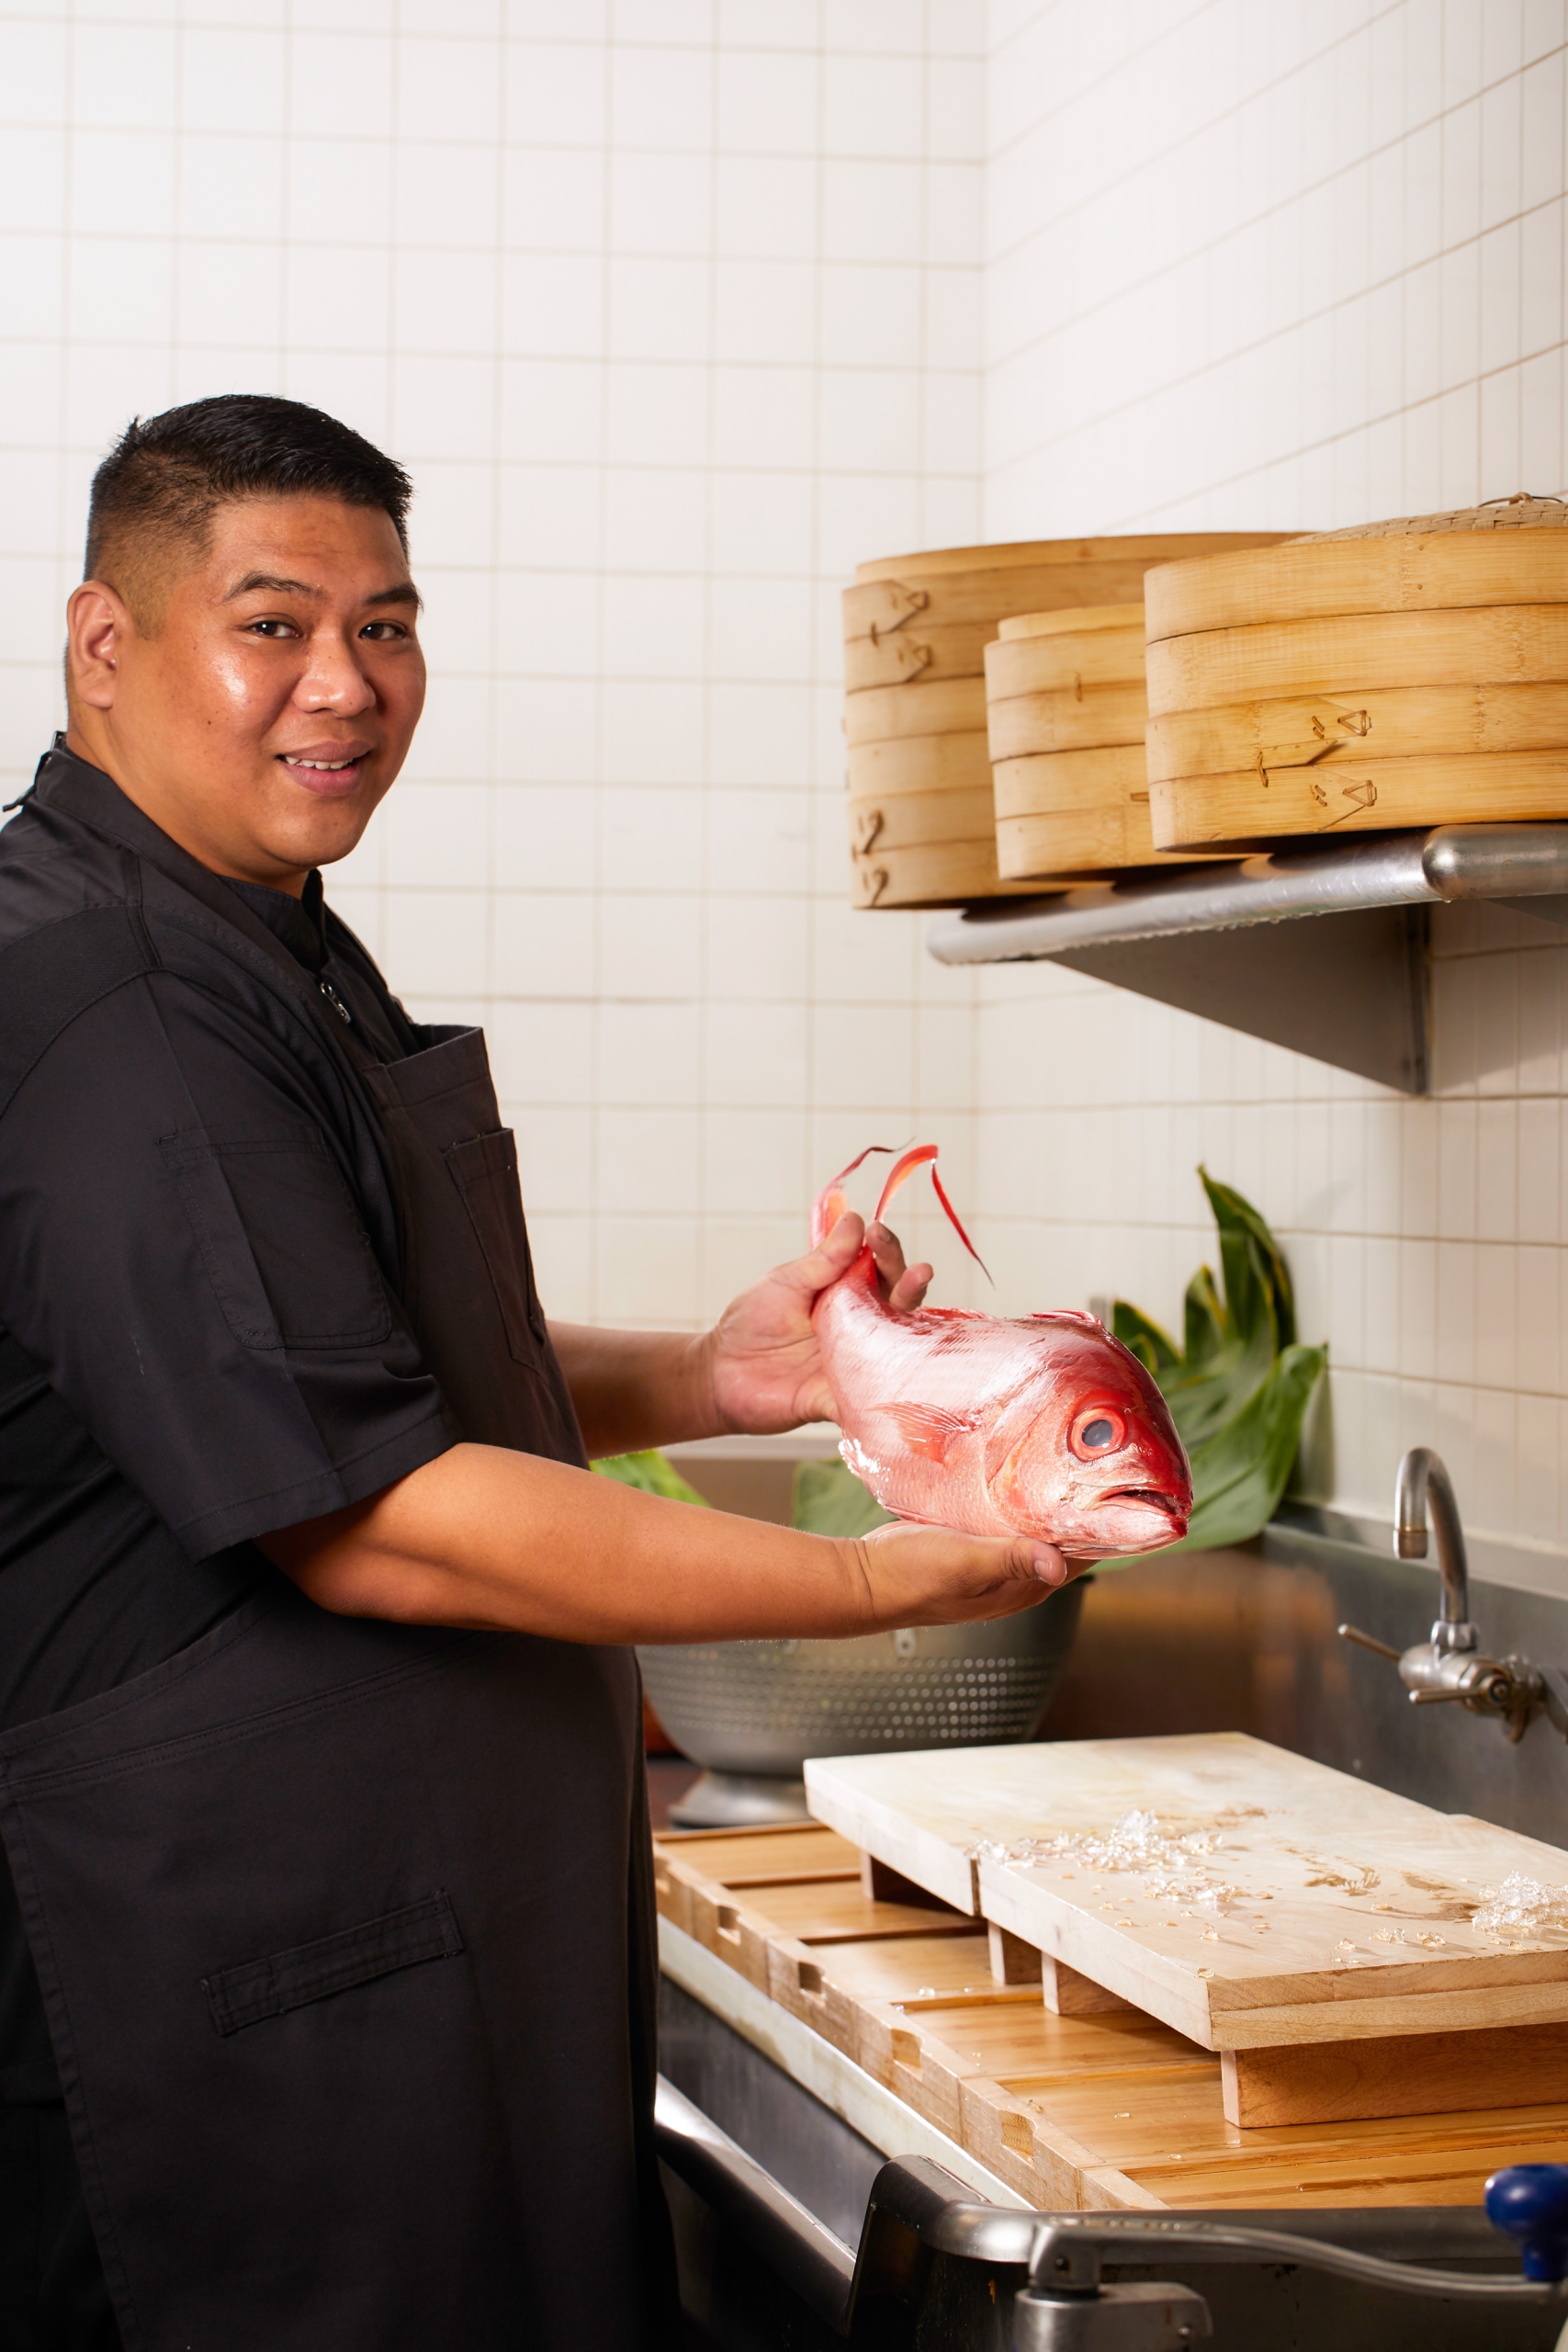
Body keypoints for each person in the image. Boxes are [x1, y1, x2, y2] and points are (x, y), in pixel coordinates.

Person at [0, 394, 1070, 2352]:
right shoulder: (128, 1002)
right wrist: (880, 1580)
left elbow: (332, 1361)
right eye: (274, 623)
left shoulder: (242, 934)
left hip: (361, 1952)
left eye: (388, 626)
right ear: (105, 644)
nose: (346, 684)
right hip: (238, 2006)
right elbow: (375, 1515)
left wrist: (713, 1375)